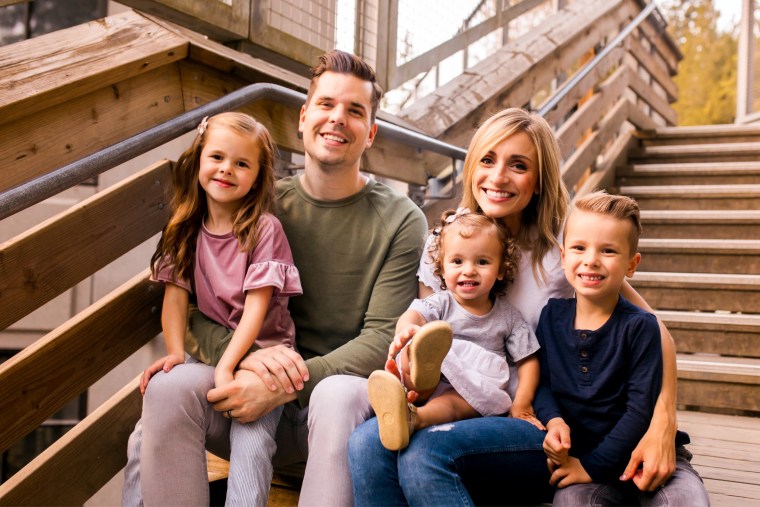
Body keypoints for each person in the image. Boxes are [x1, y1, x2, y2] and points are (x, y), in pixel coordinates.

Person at [122, 49, 428, 506]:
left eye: (355, 111)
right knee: (168, 388)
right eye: (325, 105)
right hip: (242, 393)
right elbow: (187, 304)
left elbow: (382, 337)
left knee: (340, 396)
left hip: (324, 418)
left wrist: (283, 383)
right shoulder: (253, 203)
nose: (337, 119)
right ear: (303, 118)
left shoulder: (402, 219)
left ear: (371, 133)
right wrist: (245, 363)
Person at [348, 108, 683, 506]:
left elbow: (653, 329)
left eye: (518, 165)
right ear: (472, 165)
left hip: (529, 411)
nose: (498, 177)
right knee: (366, 442)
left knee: (427, 452)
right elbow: (431, 328)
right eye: (487, 159)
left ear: (539, 180)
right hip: (456, 395)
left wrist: (663, 421)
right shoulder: (447, 240)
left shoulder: (564, 246)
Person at [138, 111, 302, 505]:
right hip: (211, 359)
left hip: (265, 360)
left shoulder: (263, 230)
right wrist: (176, 353)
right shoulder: (185, 227)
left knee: (251, 440)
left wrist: (229, 366)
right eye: (217, 158)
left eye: (241, 163)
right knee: (146, 432)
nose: (227, 170)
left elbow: (256, 310)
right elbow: (175, 300)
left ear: (257, 176)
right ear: (198, 161)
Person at [536, 191, 708, 506]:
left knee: (687, 502)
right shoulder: (551, 316)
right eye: (579, 247)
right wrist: (554, 421)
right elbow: (543, 385)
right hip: (585, 462)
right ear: (563, 257)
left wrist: (589, 466)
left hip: (647, 458)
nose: (591, 260)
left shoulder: (641, 327)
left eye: (608, 250)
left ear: (632, 264)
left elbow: (639, 410)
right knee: (573, 503)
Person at [368, 208, 543, 451]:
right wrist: (407, 331)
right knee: (414, 345)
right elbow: (414, 314)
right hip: (435, 375)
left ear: (501, 270)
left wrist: (522, 403)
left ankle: (412, 418)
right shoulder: (442, 302)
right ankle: (407, 383)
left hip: (476, 384)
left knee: (451, 404)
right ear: (442, 267)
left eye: (482, 262)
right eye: (457, 261)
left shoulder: (509, 317)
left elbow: (528, 360)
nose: (469, 270)